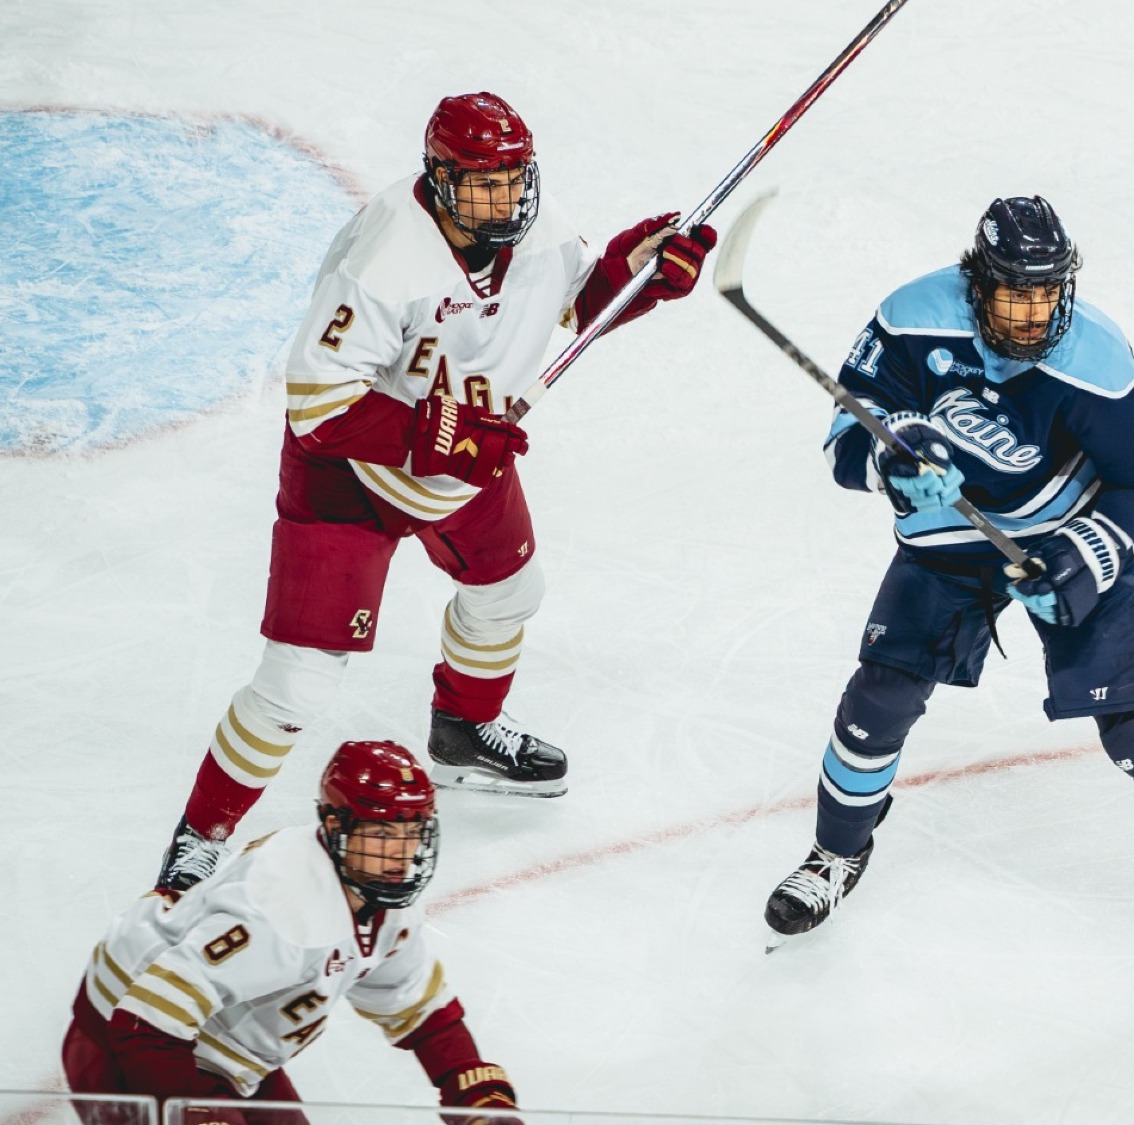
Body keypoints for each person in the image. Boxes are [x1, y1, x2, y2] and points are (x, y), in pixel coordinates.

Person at [156, 91, 716, 890]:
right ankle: (200, 833)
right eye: (486, 183)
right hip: (349, 475)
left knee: (510, 590)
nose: (509, 200)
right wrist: (443, 434)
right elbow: (319, 405)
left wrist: (638, 273)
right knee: (300, 679)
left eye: (517, 178)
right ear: (441, 179)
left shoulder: (538, 222)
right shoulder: (385, 258)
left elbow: (571, 303)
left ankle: (464, 729)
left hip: (464, 455)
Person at [760, 196, 1134, 1006]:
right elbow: (847, 443)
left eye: (1046, 295)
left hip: (1072, 530)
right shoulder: (911, 318)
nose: (1030, 314)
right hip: (950, 532)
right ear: (975, 282)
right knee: (878, 699)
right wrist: (895, 461)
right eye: (1014, 294)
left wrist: (1087, 551)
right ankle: (836, 854)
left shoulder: (1095, 358)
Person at [65, 741, 515, 1125]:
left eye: (412, 832)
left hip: (220, 1050)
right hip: (120, 1039)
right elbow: (147, 1021)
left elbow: (416, 1005)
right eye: (382, 833)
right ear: (336, 826)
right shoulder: (282, 905)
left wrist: (470, 1085)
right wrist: (199, 1114)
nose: (401, 853)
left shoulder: (381, 900)